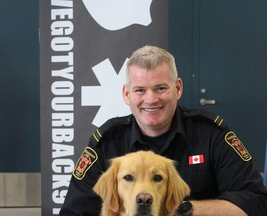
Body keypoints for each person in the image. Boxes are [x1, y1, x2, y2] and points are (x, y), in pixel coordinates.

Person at [59, 45, 267, 216]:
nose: (151, 99)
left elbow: (257, 203)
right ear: (127, 94)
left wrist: (183, 210)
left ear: (177, 89)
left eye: (161, 88)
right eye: (140, 90)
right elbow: (74, 212)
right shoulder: (107, 142)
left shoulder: (211, 133)